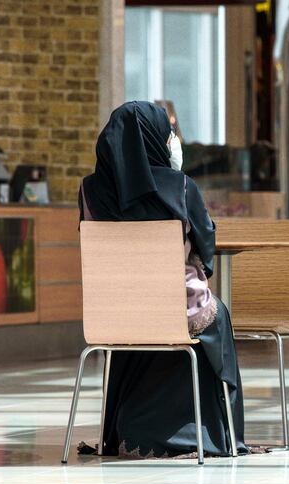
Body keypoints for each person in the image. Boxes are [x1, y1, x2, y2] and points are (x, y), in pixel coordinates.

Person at [78, 101, 248, 458]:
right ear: (153, 138)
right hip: (174, 309)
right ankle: (215, 432)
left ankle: (124, 432)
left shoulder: (89, 190)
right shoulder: (180, 187)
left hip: (113, 314)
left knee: (142, 327)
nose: (173, 138)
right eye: (168, 131)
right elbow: (205, 248)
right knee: (219, 315)